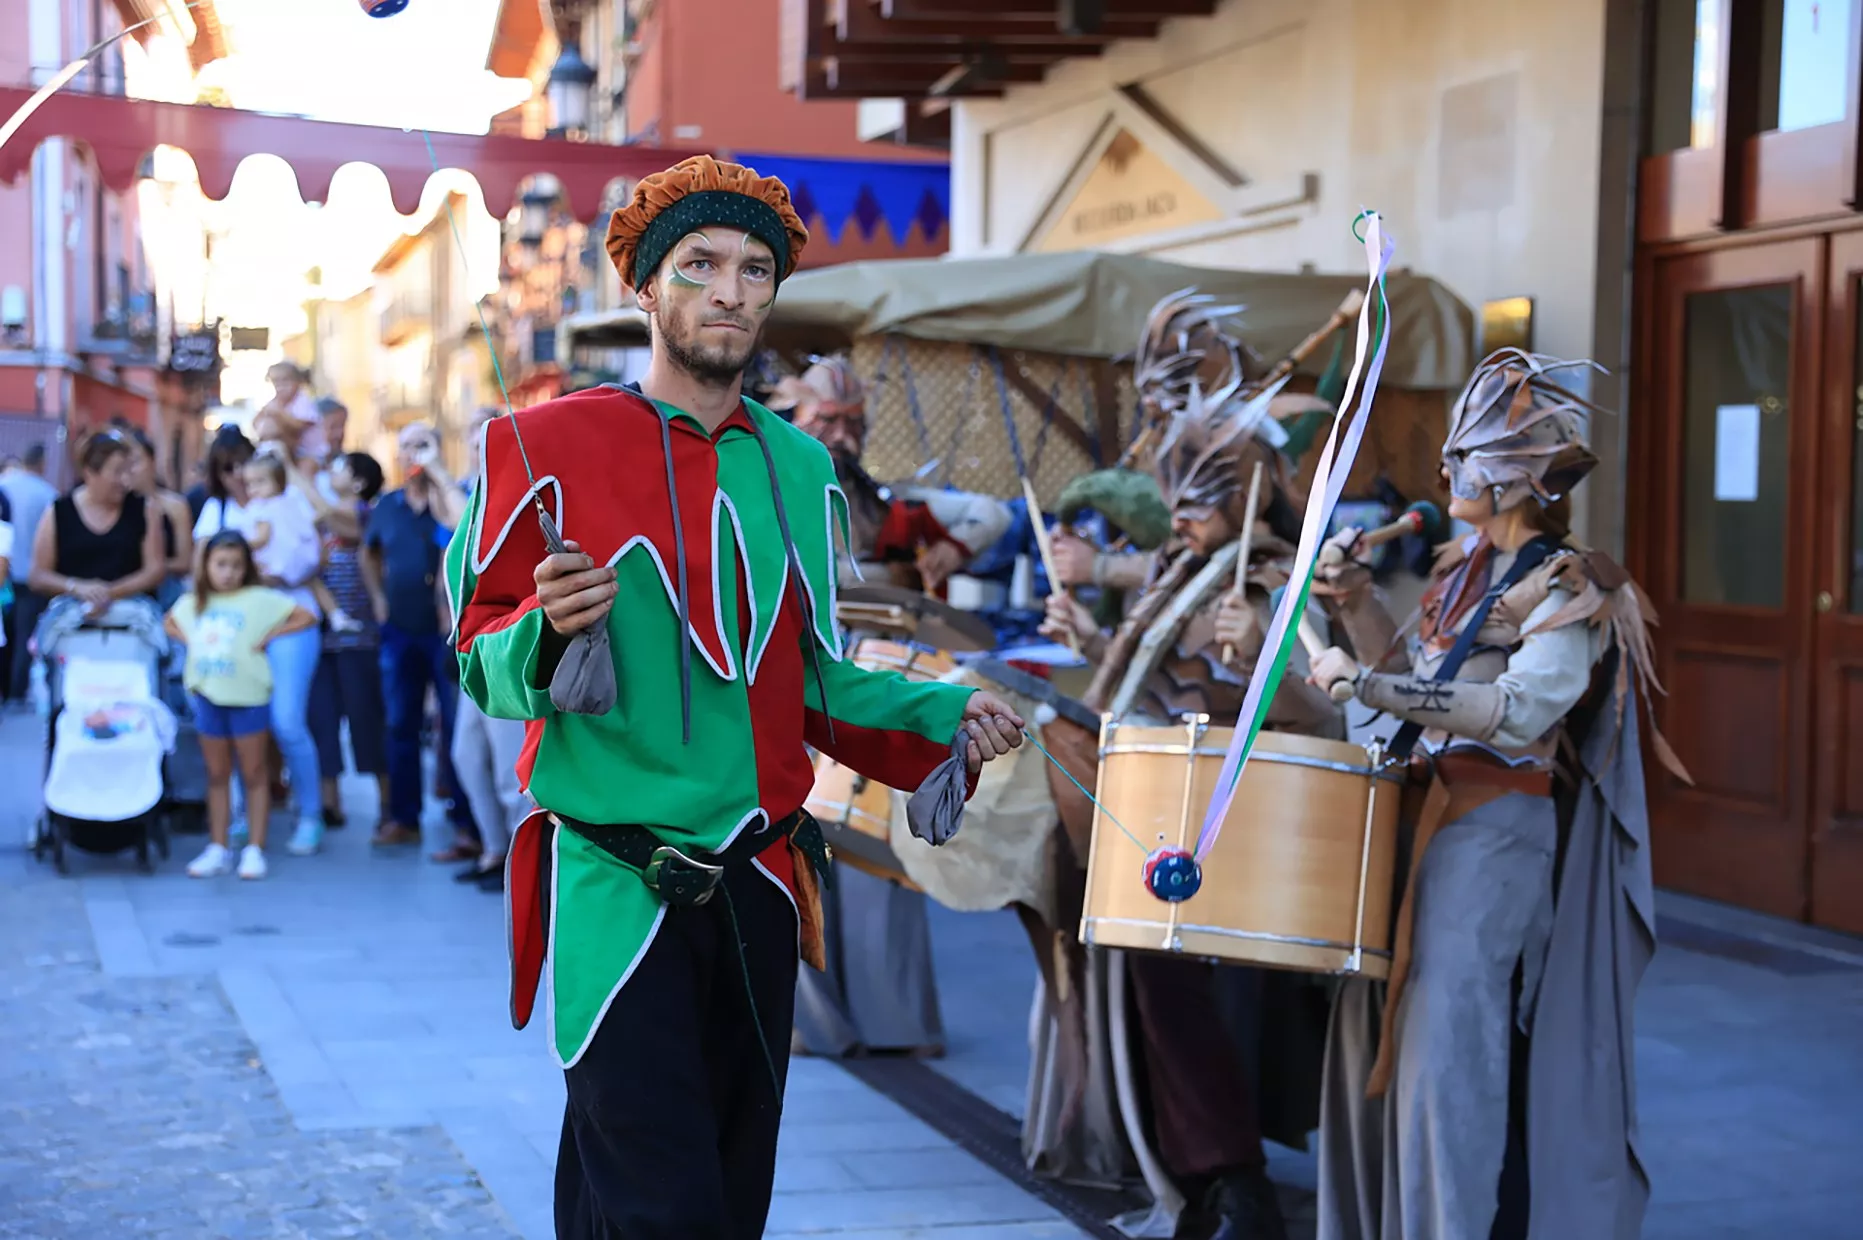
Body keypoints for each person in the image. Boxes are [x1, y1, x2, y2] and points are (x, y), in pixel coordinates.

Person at [445, 155, 1027, 1240]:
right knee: (662, 1206)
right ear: (645, 286)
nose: (730, 291)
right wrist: (545, 629)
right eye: (701, 264)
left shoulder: (800, 466)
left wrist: (941, 714)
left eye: (755, 269)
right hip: (617, 889)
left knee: (717, 1194)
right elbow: (477, 656)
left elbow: (812, 679)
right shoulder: (541, 444)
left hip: (759, 887)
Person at [1305, 350, 1687, 1240]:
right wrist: (1353, 599)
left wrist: (1366, 683)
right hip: (1421, 820)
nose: (1444, 471)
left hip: (1494, 832)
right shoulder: (1461, 568)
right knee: (1401, 1043)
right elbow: (1414, 684)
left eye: (1463, 456)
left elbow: (1515, 714)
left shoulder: (1571, 583)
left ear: (1516, 478)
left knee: (1451, 1060)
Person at [1037, 331, 1338, 1239]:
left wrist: (1267, 658)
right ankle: (1190, 1169)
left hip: (1228, 832)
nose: (1181, 517)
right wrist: (1090, 641)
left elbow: (1325, 709)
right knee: (1145, 991)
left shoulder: (1270, 579)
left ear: (1242, 499)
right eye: (1177, 498)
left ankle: (1232, 1180)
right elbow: (1154, 685)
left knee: (1179, 997)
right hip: (1147, 806)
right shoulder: (1179, 575)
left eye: (1201, 501)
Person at [192, 429, 328, 858]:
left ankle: (310, 815)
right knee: (233, 721)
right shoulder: (216, 510)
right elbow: (201, 571)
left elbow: (317, 554)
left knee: (287, 721)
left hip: (290, 617)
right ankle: (240, 818)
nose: (237, 475)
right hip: (239, 626)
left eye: (242, 464)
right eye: (226, 467)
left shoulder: (289, 499)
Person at [770, 355, 1011, 591]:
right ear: (794, 420)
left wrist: (953, 548)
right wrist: (890, 576)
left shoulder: (880, 501)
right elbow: (796, 574)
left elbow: (993, 513)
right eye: (827, 419)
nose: (841, 435)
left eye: (852, 422)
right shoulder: (769, 494)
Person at [166, 530, 317, 880]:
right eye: (221, 564)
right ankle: (218, 847)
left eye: (236, 565)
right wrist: (191, 641)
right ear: (206, 565)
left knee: (254, 774)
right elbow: (169, 621)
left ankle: (254, 848)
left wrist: (268, 637)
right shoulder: (193, 602)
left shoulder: (259, 599)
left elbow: (305, 616)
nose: (228, 573)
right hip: (208, 697)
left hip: (249, 698)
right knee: (217, 775)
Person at [362, 421, 473, 853]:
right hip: (399, 629)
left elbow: (462, 528)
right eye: (407, 446)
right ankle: (404, 818)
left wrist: (439, 475)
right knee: (400, 723)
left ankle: (465, 825)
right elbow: (368, 553)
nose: (414, 453)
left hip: (445, 632)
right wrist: (377, 598)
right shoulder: (388, 505)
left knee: (453, 726)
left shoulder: (450, 496)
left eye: (422, 445)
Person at [441, 407, 529, 892]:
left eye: (484, 441)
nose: (477, 449)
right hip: (470, 644)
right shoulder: (471, 487)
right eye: (474, 441)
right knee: (466, 756)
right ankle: (495, 850)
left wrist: (437, 474)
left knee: (507, 765)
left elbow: (469, 532)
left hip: (504, 645)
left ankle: (520, 862)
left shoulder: (514, 492)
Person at [304, 451, 389, 831]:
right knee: (322, 721)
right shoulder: (321, 521)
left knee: (367, 722)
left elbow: (333, 516)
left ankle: (387, 806)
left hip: (361, 638)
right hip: (322, 637)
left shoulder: (366, 515)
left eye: (340, 467)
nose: (330, 472)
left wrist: (291, 467)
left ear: (358, 482)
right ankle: (329, 804)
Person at [28, 430, 165, 617]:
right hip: (73, 616)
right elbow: (38, 576)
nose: (125, 480)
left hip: (132, 616)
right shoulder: (58, 511)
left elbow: (155, 569)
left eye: (128, 471)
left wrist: (109, 592)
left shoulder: (145, 509)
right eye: (117, 471)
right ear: (90, 472)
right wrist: (76, 587)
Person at [3, 444, 59, 702]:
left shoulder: (5, 485)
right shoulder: (46, 493)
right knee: (25, 634)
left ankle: (6, 690)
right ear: (42, 462)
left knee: (7, 633)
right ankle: (16, 691)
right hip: (29, 576)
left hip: (9, 574)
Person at [120, 428, 194, 611]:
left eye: (136, 462)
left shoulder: (175, 506)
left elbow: (184, 561)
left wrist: (151, 566)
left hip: (164, 590)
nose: (130, 470)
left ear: (152, 461)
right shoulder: (116, 507)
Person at [253, 361, 328, 467]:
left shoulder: (302, 401)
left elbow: (298, 426)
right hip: (290, 451)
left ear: (298, 381)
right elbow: (256, 423)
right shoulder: (276, 402)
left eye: (285, 381)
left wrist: (278, 414)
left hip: (311, 453)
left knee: (307, 467)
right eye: (276, 382)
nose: (280, 387)